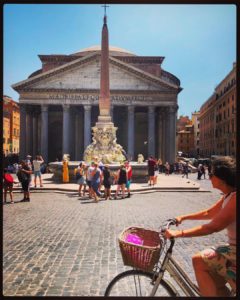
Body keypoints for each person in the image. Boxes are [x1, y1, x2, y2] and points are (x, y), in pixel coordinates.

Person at [164, 156, 236, 297]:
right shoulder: (228, 196)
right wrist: (183, 217)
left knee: (198, 260)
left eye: (211, 174)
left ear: (221, 179)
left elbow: (212, 227)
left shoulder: (235, 199)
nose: (209, 177)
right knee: (214, 281)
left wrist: (179, 233)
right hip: (232, 247)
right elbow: (209, 213)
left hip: (235, 250)